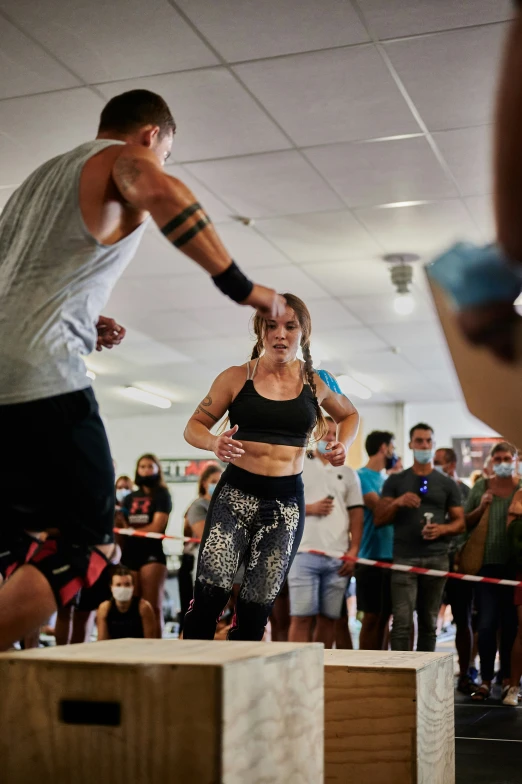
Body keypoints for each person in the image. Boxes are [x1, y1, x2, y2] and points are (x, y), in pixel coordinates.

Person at [0, 87, 287, 650]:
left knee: (27, 539)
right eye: (166, 152)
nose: (160, 163)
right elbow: (157, 189)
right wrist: (245, 289)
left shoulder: (37, 180)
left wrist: (84, 317)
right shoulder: (122, 157)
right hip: (41, 380)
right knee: (86, 549)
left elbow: (17, 283)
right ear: (151, 135)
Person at [182, 293, 359, 641]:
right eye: (272, 326)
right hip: (235, 496)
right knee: (210, 595)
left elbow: (350, 414)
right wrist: (213, 442)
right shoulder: (235, 377)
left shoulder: (318, 380)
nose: (281, 334)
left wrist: (345, 445)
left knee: (256, 606)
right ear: (261, 331)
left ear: (303, 333)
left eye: (290, 327)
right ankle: (190, 681)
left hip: (284, 504)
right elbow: (193, 427)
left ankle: (241, 688)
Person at [374, 423, 465, 652]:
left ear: (433, 445)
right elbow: (379, 519)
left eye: (428, 441)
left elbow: (460, 523)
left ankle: (425, 679)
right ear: (410, 445)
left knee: (428, 623)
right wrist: (397, 502)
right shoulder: (395, 481)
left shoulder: (446, 483)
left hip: (437, 558)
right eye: (419, 441)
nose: (424, 445)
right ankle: (400, 680)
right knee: (402, 623)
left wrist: (441, 530)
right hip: (404, 558)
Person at [287, 416, 363, 648]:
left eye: (333, 434)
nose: (329, 438)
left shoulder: (348, 473)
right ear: (313, 436)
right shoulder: (297, 465)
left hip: (337, 557)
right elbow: (282, 505)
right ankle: (296, 673)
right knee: (301, 617)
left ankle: (321, 671)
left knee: (330, 618)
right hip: (303, 553)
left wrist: (353, 550)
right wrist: (308, 508)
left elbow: (356, 514)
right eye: (324, 433)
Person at [464, 441, 521, 701]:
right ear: (490, 462)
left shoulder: (521, 489)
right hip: (485, 567)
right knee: (486, 625)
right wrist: (481, 506)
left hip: (515, 567)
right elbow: (464, 522)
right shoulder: (481, 487)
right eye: (497, 458)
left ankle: (509, 679)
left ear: (515, 459)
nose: (502, 462)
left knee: (511, 625)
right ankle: (486, 680)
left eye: (506, 457)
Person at [433, 447, 475, 692]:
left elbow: (468, 526)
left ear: (451, 465)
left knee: (463, 619)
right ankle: (424, 668)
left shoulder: (466, 492)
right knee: (429, 618)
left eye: (438, 462)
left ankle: (466, 670)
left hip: (458, 564)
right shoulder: (428, 486)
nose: (433, 465)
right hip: (434, 560)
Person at [120, 454, 172, 638]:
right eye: (142, 466)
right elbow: (122, 526)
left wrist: (133, 531)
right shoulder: (129, 498)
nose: (146, 470)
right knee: (131, 606)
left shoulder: (162, 494)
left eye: (150, 466)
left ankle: (156, 650)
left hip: (152, 553)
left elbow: (158, 526)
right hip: (130, 552)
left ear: (157, 469)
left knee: (152, 606)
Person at [356, 431, 396, 650]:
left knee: (385, 617)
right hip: (370, 556)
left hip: (392, 555)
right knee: (370, 617)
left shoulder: (388, 480)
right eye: (393, 447)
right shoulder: (360, 476)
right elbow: (378, 507)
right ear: (384, 448)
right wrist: (398, 502)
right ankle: (364, 665)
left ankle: (381, 664)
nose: (394, 453)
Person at [178, 465, 223, 633]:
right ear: (204, 483)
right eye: (213, 481)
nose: (217, 484)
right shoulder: (198, 506)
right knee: (194, 611)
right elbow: (206, 535)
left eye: (220, 481)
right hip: (197, 563)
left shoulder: (227, 505)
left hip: (223, 565)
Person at [97, 566, 155, 640]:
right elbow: (102, 642)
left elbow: (150, 641)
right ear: (111, 587)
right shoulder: (105, 609)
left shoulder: (143, 608)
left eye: (127, 584)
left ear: (133, 587)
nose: (123, 588)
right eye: (118, 585)